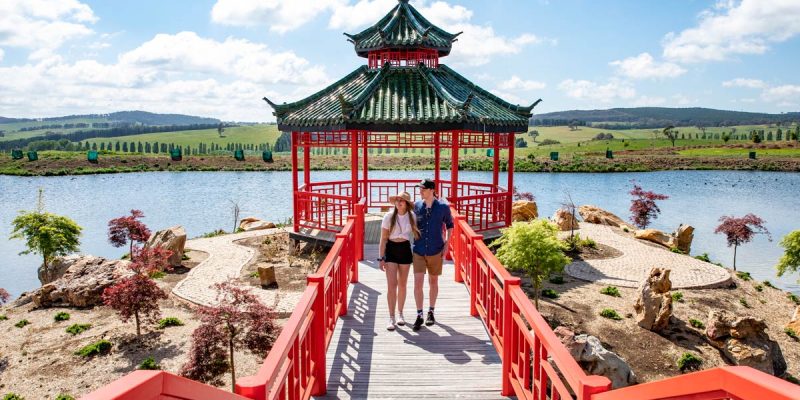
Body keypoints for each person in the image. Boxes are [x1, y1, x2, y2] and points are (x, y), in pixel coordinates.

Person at [411, 178, 453, 331]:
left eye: (423, 189)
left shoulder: (443, 207)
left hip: (436, 249)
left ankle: (431, 311)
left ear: (431, 190)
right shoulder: (416, 206)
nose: (420, 191)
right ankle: (419, 314)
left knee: (433, 282)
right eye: (420, 189)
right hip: (419, 250)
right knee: (418, 283)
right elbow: (410, 222)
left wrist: (447, 243)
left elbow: (450, 225)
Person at [378, 191, 420, 331]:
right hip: (391, 249)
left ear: (406, 204)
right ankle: (391, 317)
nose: (399, 202)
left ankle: (400, 314)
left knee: (402, 284)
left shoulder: (412, 216)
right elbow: (383, 238)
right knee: (392, 285)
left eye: (402, 200)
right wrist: (381, 257)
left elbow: (417, 234)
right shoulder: (389, 216)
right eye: (397, 200)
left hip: (405, 249)